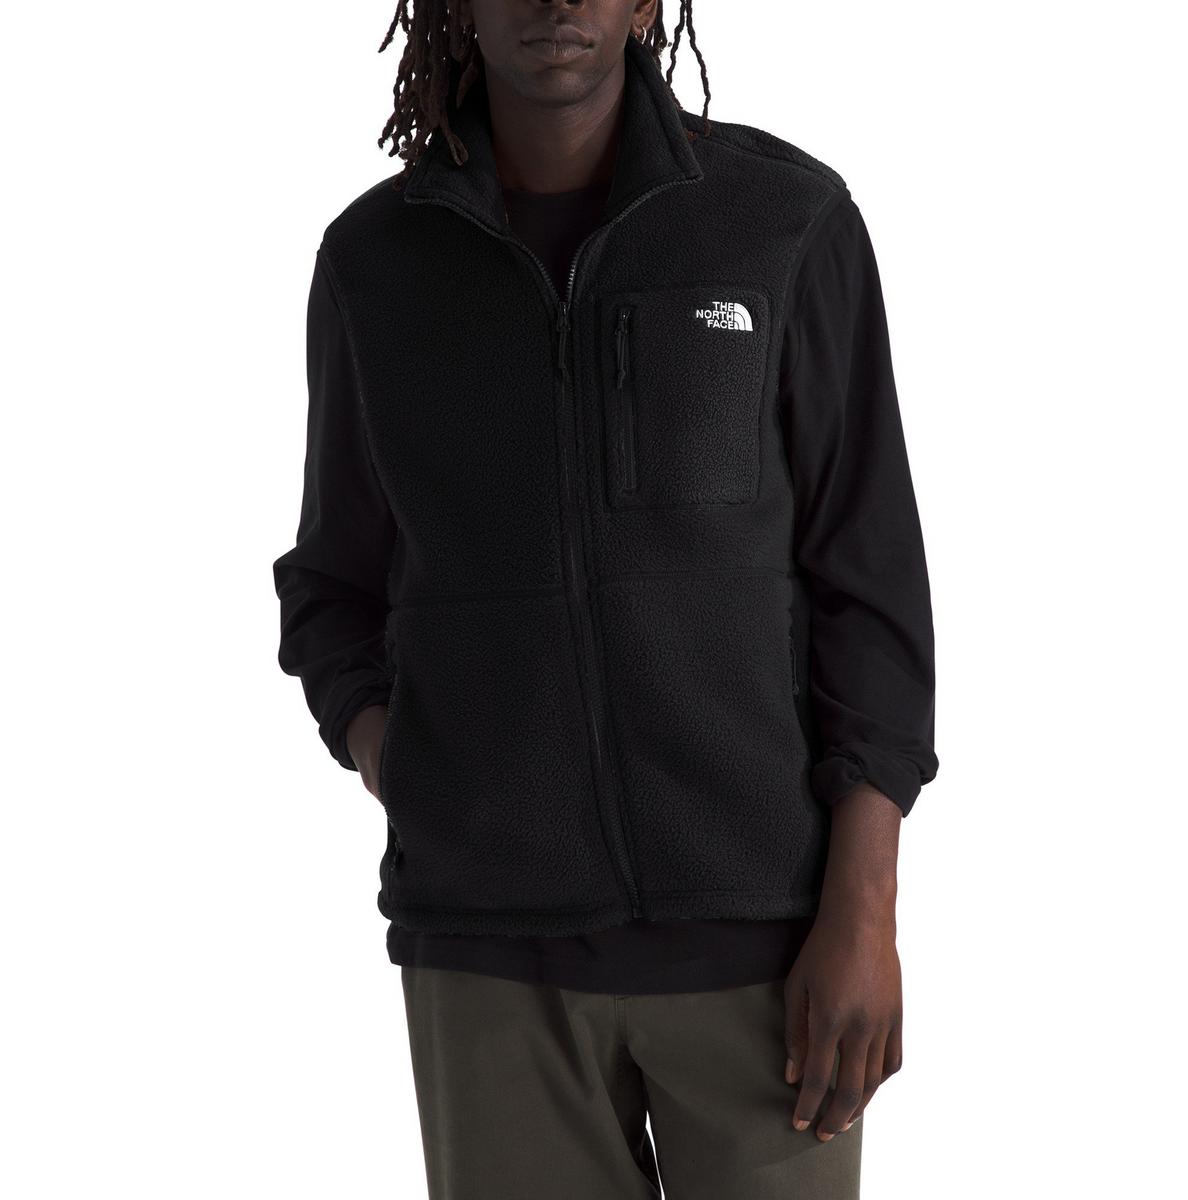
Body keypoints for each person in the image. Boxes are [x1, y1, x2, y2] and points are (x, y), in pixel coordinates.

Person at [272, 3, 939, 1197]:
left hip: (765, 944)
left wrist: (866, 911)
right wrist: (397, 756)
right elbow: (334, 583)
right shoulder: (376, 263)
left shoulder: (783, 221)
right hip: (488, 956)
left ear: (646, 3)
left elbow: (869, 578)